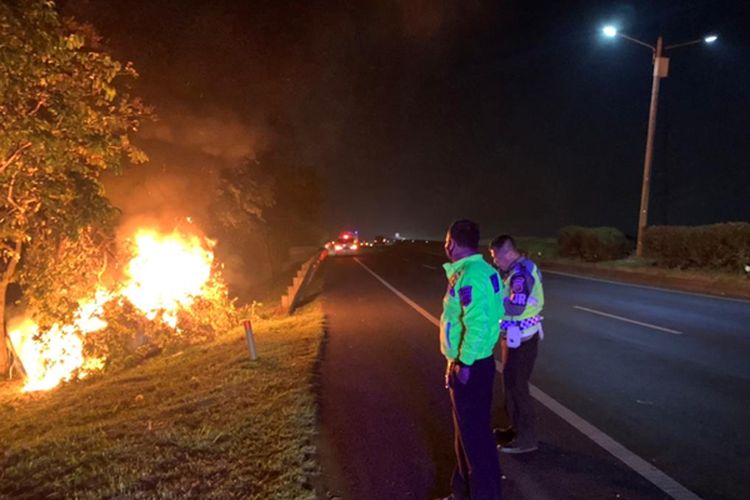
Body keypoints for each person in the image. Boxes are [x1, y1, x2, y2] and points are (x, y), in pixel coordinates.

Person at [438, 220, 504, 500]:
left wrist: (463, 363)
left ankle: (484, 494)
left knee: (475, 440)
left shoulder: (472, 276)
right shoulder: (479, 271)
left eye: (446, 240)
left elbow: (477, 324)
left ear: (452, 242)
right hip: (472, 362)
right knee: (466, 435)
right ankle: (462, 491)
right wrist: (453, 362)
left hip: (472, 367)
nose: (445, 245)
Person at [489, 235, 545, 454]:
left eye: (495, 256)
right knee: (511, 386)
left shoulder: (521, 274)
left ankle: (526, 439)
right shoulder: (517, 270)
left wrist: (493, 301)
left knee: (518, 387)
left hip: (523, 339)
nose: (495, 261)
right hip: (515, 336)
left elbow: (515, 307)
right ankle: (516, 429)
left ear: (509, 253)